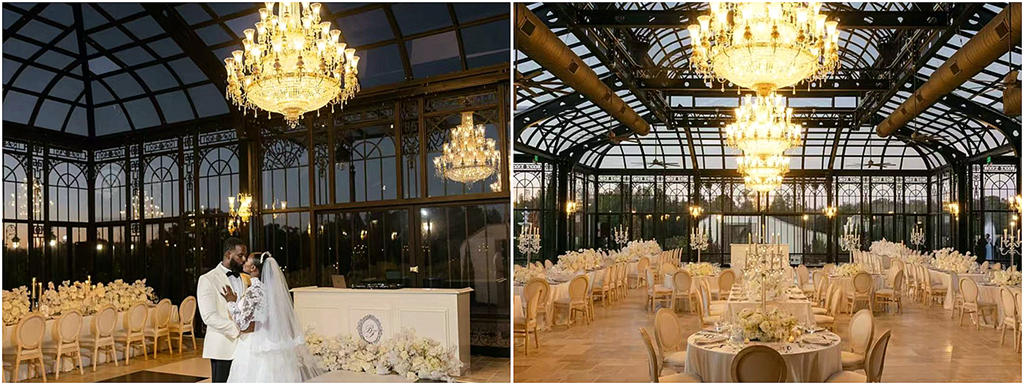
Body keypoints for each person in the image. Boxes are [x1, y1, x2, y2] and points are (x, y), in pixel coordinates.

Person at [221, 252, 323, 382]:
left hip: (254, 345)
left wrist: (231, 302)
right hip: (273, 343)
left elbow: (243, 324)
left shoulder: (255, 291)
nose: (244, 261)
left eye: (248, 260)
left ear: (253, 268)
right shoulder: (272, 292)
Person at [197, 238, 249, 383]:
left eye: (245, 255)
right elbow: (208, 316)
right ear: (228, 255)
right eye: (240, 255)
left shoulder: (245, 279)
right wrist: (237, 329)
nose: (244, 259)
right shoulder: (208, 279)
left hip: (245, 347)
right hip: (222, 347)